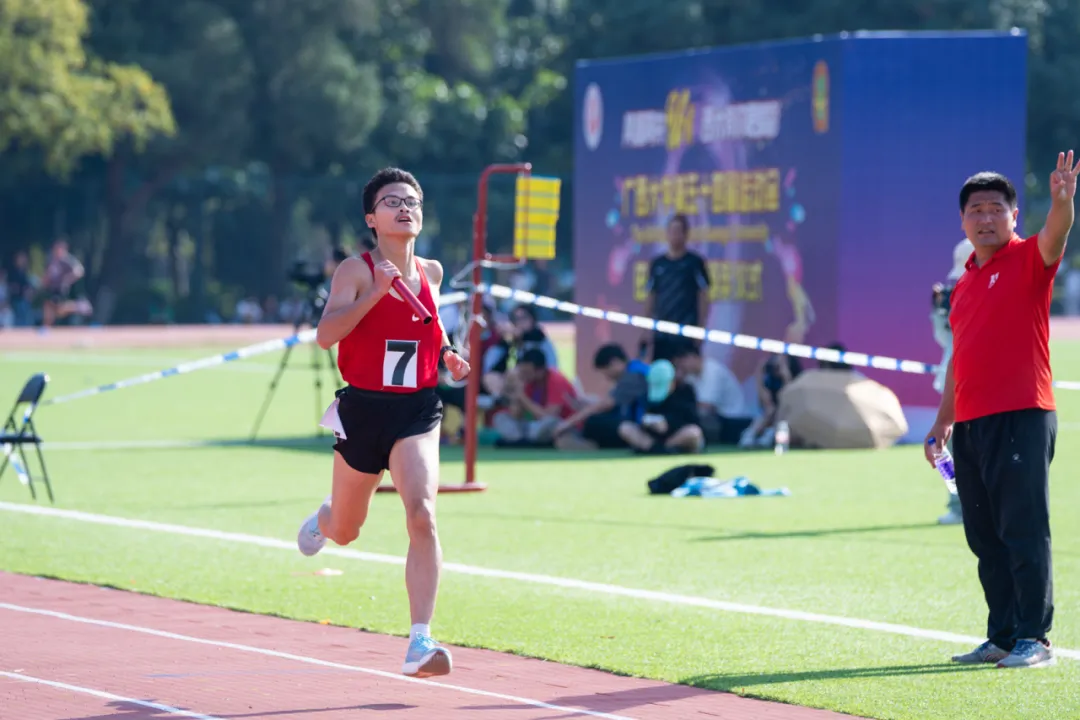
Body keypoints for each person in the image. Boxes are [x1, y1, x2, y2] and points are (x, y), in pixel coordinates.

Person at [294, 167, 470, 678]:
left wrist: (449, 355)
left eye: (412, 201)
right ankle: (326, 518)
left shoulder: (432, 272)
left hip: (416, 409)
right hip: (363, 411)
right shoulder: (356, 270)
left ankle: (420, 641)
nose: (404, 208)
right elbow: (326, 336)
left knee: (423, 515)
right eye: (392, 201)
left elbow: (428, 329)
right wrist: (375, 293)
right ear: (372, 218)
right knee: (347, 530)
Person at [926, 154, 1078, 670]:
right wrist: (943, 421)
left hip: (1022, 414)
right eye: (976, 210)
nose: (986, 218)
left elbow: (1056, 233)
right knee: (984, 535)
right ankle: (1003, 635)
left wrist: (1062, 202)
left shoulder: (1030, 258)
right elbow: (959, 358)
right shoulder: (964, 284)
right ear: (962, 220)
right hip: (971, 424)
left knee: (1023, 528)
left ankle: (1036, 637)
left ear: (1013, 215)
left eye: (996, 209)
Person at [930, 239, 974, 526]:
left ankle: (974, 507)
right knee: (944, 451)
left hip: (981, 390)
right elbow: (945, 340)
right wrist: (938, 312)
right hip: (953, 389)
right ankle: (956, 504)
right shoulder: (954, 299)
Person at [641, 214, 711, 361]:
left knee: (688, 373)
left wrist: (700, 329)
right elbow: (651, 296)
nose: (675, 235)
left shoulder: (695, 263)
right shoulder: (657, 264)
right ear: (667, 233)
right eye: (672, 231)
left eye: (679, 231)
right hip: (662, 334)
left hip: (686, 333)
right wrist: (645, 328)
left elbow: (703, 296)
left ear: (686, 234)